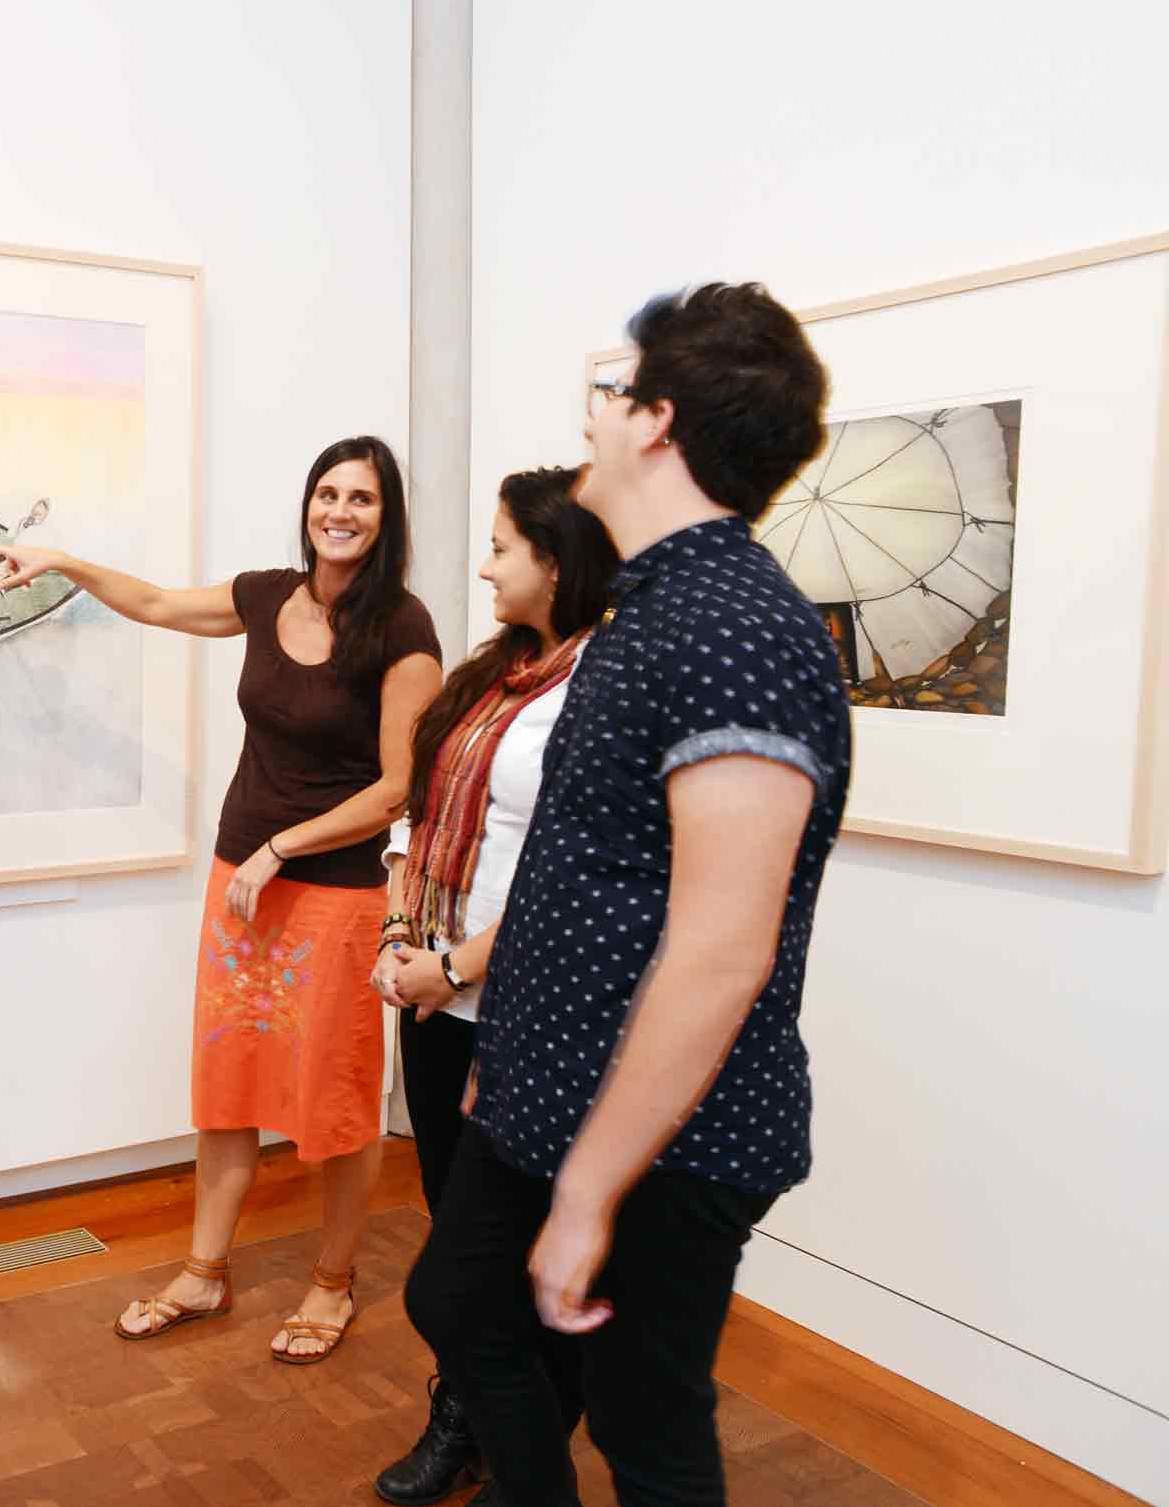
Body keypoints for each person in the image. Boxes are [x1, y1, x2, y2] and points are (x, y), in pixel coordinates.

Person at [402, 284, 850, 1507]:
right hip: (556, 1084)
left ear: (656, 422)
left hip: (677, 1131)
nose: (592, 417)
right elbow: (585, 873)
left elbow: (719, 950)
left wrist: (590, 1191)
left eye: (612, 391)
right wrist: (520, 1066)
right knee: (451, 1297)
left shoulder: (736, 630)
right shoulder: (651, 612)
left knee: (649, 1429)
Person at [0, 437, 443, 1364]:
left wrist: (282, 847)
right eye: (327, 493)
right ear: (308, 504)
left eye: (362, 498)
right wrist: (62, 560)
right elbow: (154, 602)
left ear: (386, 516)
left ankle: (331, 1283)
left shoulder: (403, 629)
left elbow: (399, 786)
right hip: (243, 887)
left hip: (335, 894)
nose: (340, 512)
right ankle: (204, 1269)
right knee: (227, 1080)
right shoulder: (269, 593)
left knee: (337, 1099)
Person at [367, 467, 620, 1505]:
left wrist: (457, 962)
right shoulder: (492, 673)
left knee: (494, 1256)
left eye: (503, 547)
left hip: (519, 1006)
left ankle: (505, 1431)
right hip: (435, 999)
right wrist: (399, 930)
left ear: (554, 562)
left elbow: (583, 876)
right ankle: (478, 1413)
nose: (484, 564)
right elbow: (420, 810)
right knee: (451, 1223)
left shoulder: (602, 685)